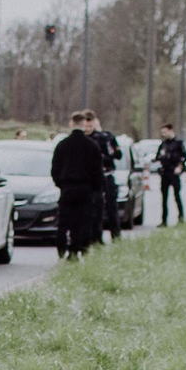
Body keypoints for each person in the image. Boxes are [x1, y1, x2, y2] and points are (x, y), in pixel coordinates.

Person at [51, 111, 104, 260]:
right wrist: (95, 188)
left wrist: (61, 184)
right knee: (84, 220)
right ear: (84, 125)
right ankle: (80, 248)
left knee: (64, 220)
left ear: (71, 124)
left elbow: (55, 168)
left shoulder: (62, 145)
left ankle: (62, 247)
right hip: (85, 188)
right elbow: (97, 171)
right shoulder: (92, 146)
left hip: (67, 187)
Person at [84, 110, 122, 242]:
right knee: (96, 208)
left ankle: (116, 235)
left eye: (90, 125)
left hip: (107, 173)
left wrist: (108, 153)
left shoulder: (107, 137)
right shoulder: (86, 139)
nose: (88, 128)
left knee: (112, 207)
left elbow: (118, 154)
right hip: (93, 177)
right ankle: (96, 237)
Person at [154, 123, 186, 227]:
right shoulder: (163, 144)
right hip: (165, 173)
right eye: (162, 132)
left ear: (171, 130)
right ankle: (164, 221)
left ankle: (181, 218)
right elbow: (158, 156)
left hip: (174, 173)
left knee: (177, 196)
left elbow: (184, 157)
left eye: (165, 132)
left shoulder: (178, 144)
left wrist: (180, 167)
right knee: (164, 198)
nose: (163, 134)